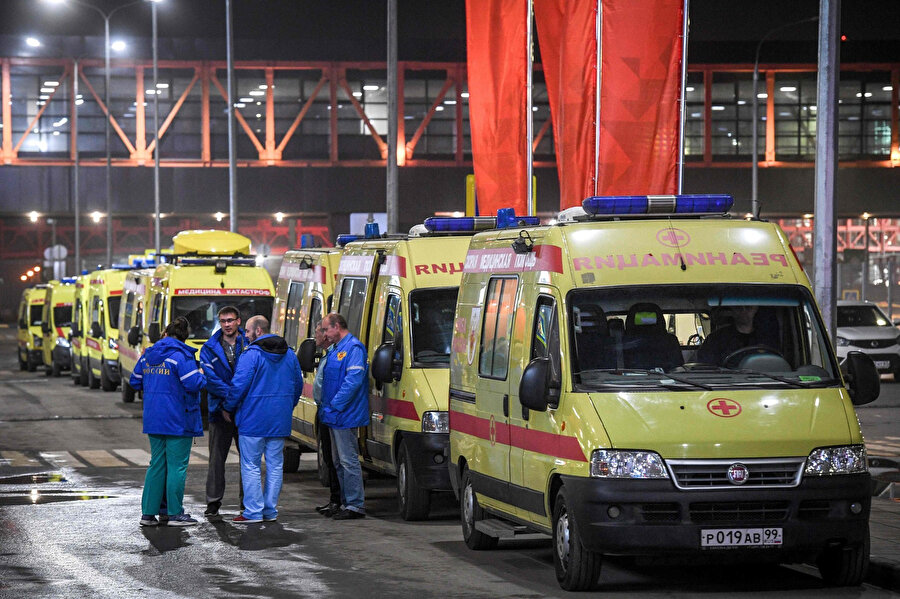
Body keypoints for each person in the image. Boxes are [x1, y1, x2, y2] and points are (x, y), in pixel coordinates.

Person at [223, 315, 302, 524]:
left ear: (258, 331)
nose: (245, 335)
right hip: (279, 420)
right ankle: (269, 510)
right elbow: (298, 385)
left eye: (247, 331)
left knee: (251, 465)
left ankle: (253, 512)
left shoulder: (252, 355)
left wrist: (228, 407)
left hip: (252, 420)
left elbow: (239, 385)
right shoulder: (290, 355)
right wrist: (287, 406)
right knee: (275, 465)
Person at [132, 317, 206, 527]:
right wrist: (203, 374)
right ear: (185, 335)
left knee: (156, 465)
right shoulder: (180, 356)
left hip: (154, 418)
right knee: (177, 467)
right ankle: (174, 514)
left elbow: (135, 380)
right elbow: (192, 383)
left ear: (165, 333)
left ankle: (148, 514)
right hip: (178, 418)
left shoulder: (148, 355)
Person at [199, 305, 249, 517]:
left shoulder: (249, 344)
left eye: (230, 320)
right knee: (216, 460)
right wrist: (232, 397)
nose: (227, 325)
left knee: (248, 461)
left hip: (244, 411)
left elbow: (252, 375)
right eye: (223, 321)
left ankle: (247, 503)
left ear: (239, 321)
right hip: (219, 412)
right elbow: (210, 380)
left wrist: (234, 400)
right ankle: (213, 502)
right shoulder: (209, 348)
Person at [320, 312, 370, 520]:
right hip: (333, 414)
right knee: (338, 461)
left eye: (326, 329)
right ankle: (344, 502)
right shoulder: (337, 349)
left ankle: (355, 505)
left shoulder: (354, 348)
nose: (324, 334)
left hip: (344, 414)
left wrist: (336, 405)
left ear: (337, 326)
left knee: (348, 460)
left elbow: (353, 381)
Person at [312, 321, 342, 517]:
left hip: (333, 412)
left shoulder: (335, 354)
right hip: (324, 411)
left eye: (316, 334)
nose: (314, 338)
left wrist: (332, 407)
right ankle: (334, 500)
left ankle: (339, 501)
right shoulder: (326, 355)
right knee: (330, 459)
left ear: (325, 334)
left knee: (337, 459)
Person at [697, 305, 762, 366]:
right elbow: (705, 366)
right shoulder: (715, 339)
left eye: (748, 307)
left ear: (755, 309)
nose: (743, 311)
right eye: (738, 308)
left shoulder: (767, 337)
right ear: (732, 310)